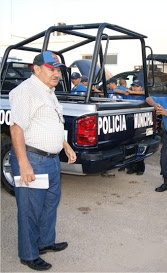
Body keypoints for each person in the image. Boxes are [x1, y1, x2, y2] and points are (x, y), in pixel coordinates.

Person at [9, 51, 77, 271]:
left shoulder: (49, 91)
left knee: (49, 204)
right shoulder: (25, 91)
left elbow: (54, 122)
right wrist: (24, 163)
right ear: (36, 69)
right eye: (51, 69)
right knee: (30, 209)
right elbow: (16, 127)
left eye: (58, 70)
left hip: (51, 159)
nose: (56, 74)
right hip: (33, 159)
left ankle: (45, 242)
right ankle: (28, 254)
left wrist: (65, 146)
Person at [125, 80, 146, 175]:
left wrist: (132, 91)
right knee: (130, 146)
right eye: (133, 86)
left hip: (141, 124)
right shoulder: (128, 95)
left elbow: (148, 93)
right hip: (130, 124)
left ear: (141, 87)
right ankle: (132, 166)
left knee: (141, 146)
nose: (134, 88)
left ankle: (140, 167)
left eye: (137, 86)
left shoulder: (144, 96)